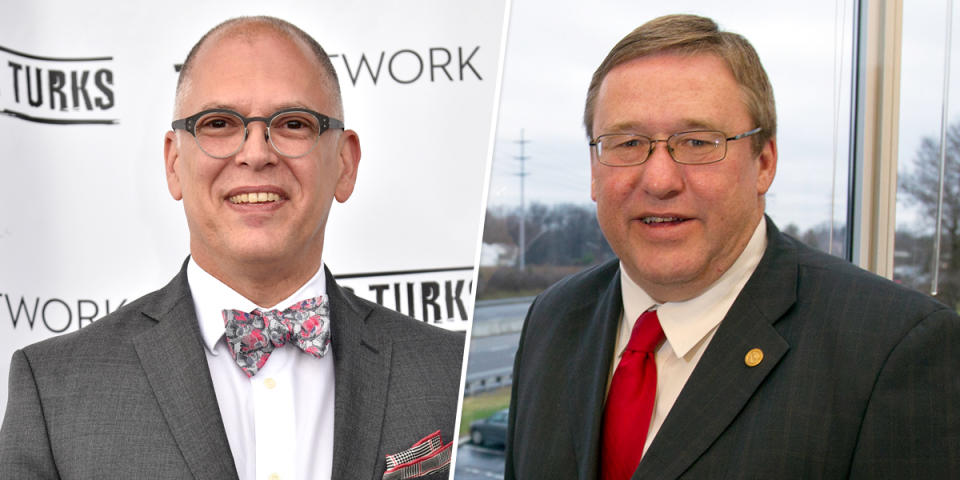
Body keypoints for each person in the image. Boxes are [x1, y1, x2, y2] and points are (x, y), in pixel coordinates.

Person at [0, 16, 462, 480]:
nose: (256, 153)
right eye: (219, 123)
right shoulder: (53, 389)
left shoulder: (447, 370)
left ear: (344, 163)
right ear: (174, 163)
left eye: (293, 123)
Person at [505, 14, 959, 480]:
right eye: (627, 143)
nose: (659, 180)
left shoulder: (895, 350)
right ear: (594, 172)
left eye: (698, 142)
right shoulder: (552, 320)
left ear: (763, 163)